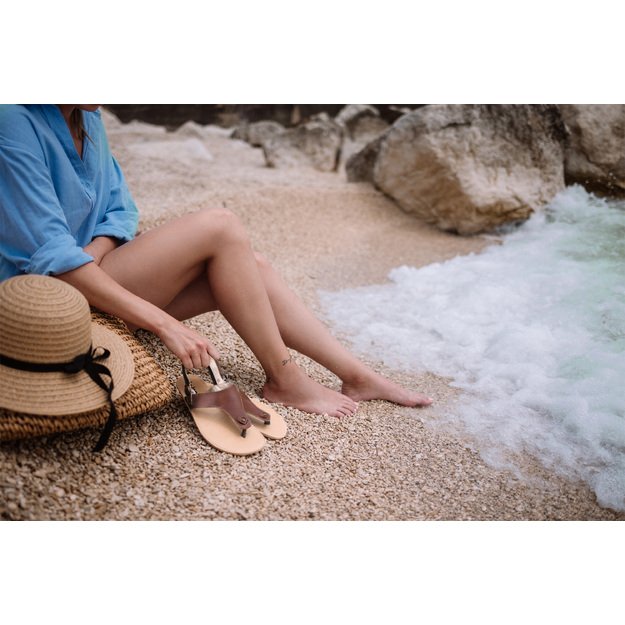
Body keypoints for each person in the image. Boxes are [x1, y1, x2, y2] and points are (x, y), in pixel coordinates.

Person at [0, 104, 432, 418]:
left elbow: (121, 210)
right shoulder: (13, 118)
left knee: (251, 266)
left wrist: (92, 255)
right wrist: (165, 324)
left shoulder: (86, 116)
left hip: (89, 276)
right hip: (41, 303)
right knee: (220, 226)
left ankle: (354, 375)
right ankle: (286, 379)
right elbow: (51, 253)